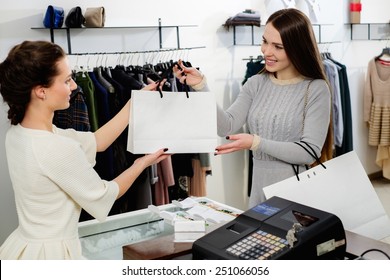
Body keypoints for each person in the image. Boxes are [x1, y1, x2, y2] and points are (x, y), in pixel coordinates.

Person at [0, 40, 169, 259]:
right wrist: (143, 163)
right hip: (53, 255)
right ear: (41, 91)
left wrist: (135, 102)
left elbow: (97, 142)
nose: (74, 87)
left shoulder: (18, 134)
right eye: (67, 80)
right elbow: (107, 193)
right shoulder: (56, 147)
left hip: (24, 247)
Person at [173, 8, 333, 208]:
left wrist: (256, 143)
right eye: (265, 41)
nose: (266, 51)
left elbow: (309, 152)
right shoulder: (256, 82)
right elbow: (226, 126)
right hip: (259, 190)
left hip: (296, 192)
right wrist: (200, 86)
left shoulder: (316, 89)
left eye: (278, 46)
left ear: (297, 48)